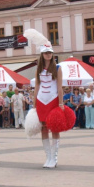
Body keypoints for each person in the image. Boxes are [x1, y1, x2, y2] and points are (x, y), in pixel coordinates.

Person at [24, 28, 64, 169]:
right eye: (46, 53)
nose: (48, 55)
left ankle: (54, 157)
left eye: (50, 53)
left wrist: (61, 103)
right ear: (42, 54)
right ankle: (47, 157)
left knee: (54, 128)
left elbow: (60, 87)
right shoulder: (38, 69)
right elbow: (37, 88)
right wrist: (34, 105)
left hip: (53, 100)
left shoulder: (58, 68)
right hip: (41, 101)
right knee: (44, 129)